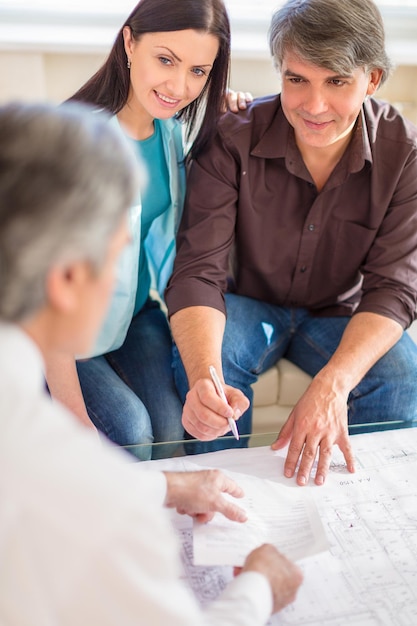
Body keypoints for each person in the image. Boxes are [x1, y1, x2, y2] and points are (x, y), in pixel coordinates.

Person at [0, 100, 302, 625]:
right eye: (118, 256)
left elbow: (57, 474)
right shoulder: (106, 525)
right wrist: (260, 588)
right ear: (68, 279)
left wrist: (168, 486)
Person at [165, 0, 417, 484]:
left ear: (373, 79)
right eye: (297, 80)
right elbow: (199, 272)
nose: (313, 105)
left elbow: (396, 289)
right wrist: (203, 379)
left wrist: (333, 384)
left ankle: (352, 505)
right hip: (245, 303)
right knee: (211, 370)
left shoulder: (402, 152)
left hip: (337, 313)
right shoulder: (233, 138)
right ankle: (223, 509)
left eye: (337, 82)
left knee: (404, 379)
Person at [45, 0, 251, 460]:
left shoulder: (172, 134)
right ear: (129, 42)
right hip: (58, 334)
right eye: (166, 60)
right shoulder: (74, 146)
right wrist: (75, 421)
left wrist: (233, 105)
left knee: (171, 425)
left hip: (132, 317)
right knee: (132, 431)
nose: (179, 86)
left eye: (199, 71)